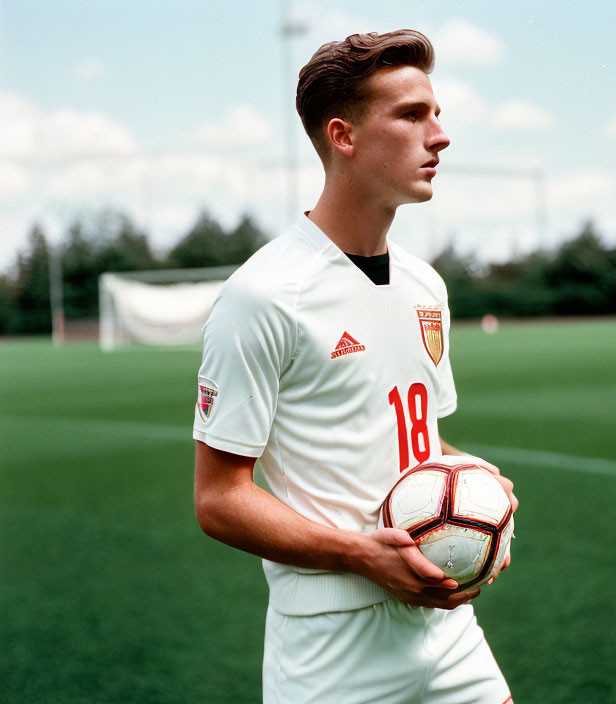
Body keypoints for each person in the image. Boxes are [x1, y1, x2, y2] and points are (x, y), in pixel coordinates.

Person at [192, 29, 518, 703]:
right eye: (411, 115)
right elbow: (220, 498)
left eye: (437, 112)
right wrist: (360, 553)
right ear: (342, 135)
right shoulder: (264, 295)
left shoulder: (426, 285)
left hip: (448, 625)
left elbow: (417, 439)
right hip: (331, 644)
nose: (441, 135)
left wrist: (478, 486)